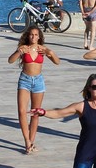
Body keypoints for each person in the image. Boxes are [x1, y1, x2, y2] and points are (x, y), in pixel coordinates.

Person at [9, 26, 60, 154]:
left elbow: (57, 62)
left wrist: (50, 52)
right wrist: (19, 52)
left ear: (39, 37)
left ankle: (31, 143)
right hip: (25, 80)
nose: (33, 37)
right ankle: (27, 141)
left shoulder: (42, 49)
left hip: (38, 81)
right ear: (28, 36)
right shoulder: (24, 48)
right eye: (31, 34)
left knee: (35, 113)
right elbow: (10, 60)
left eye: (36, 35)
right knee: (22, 111)